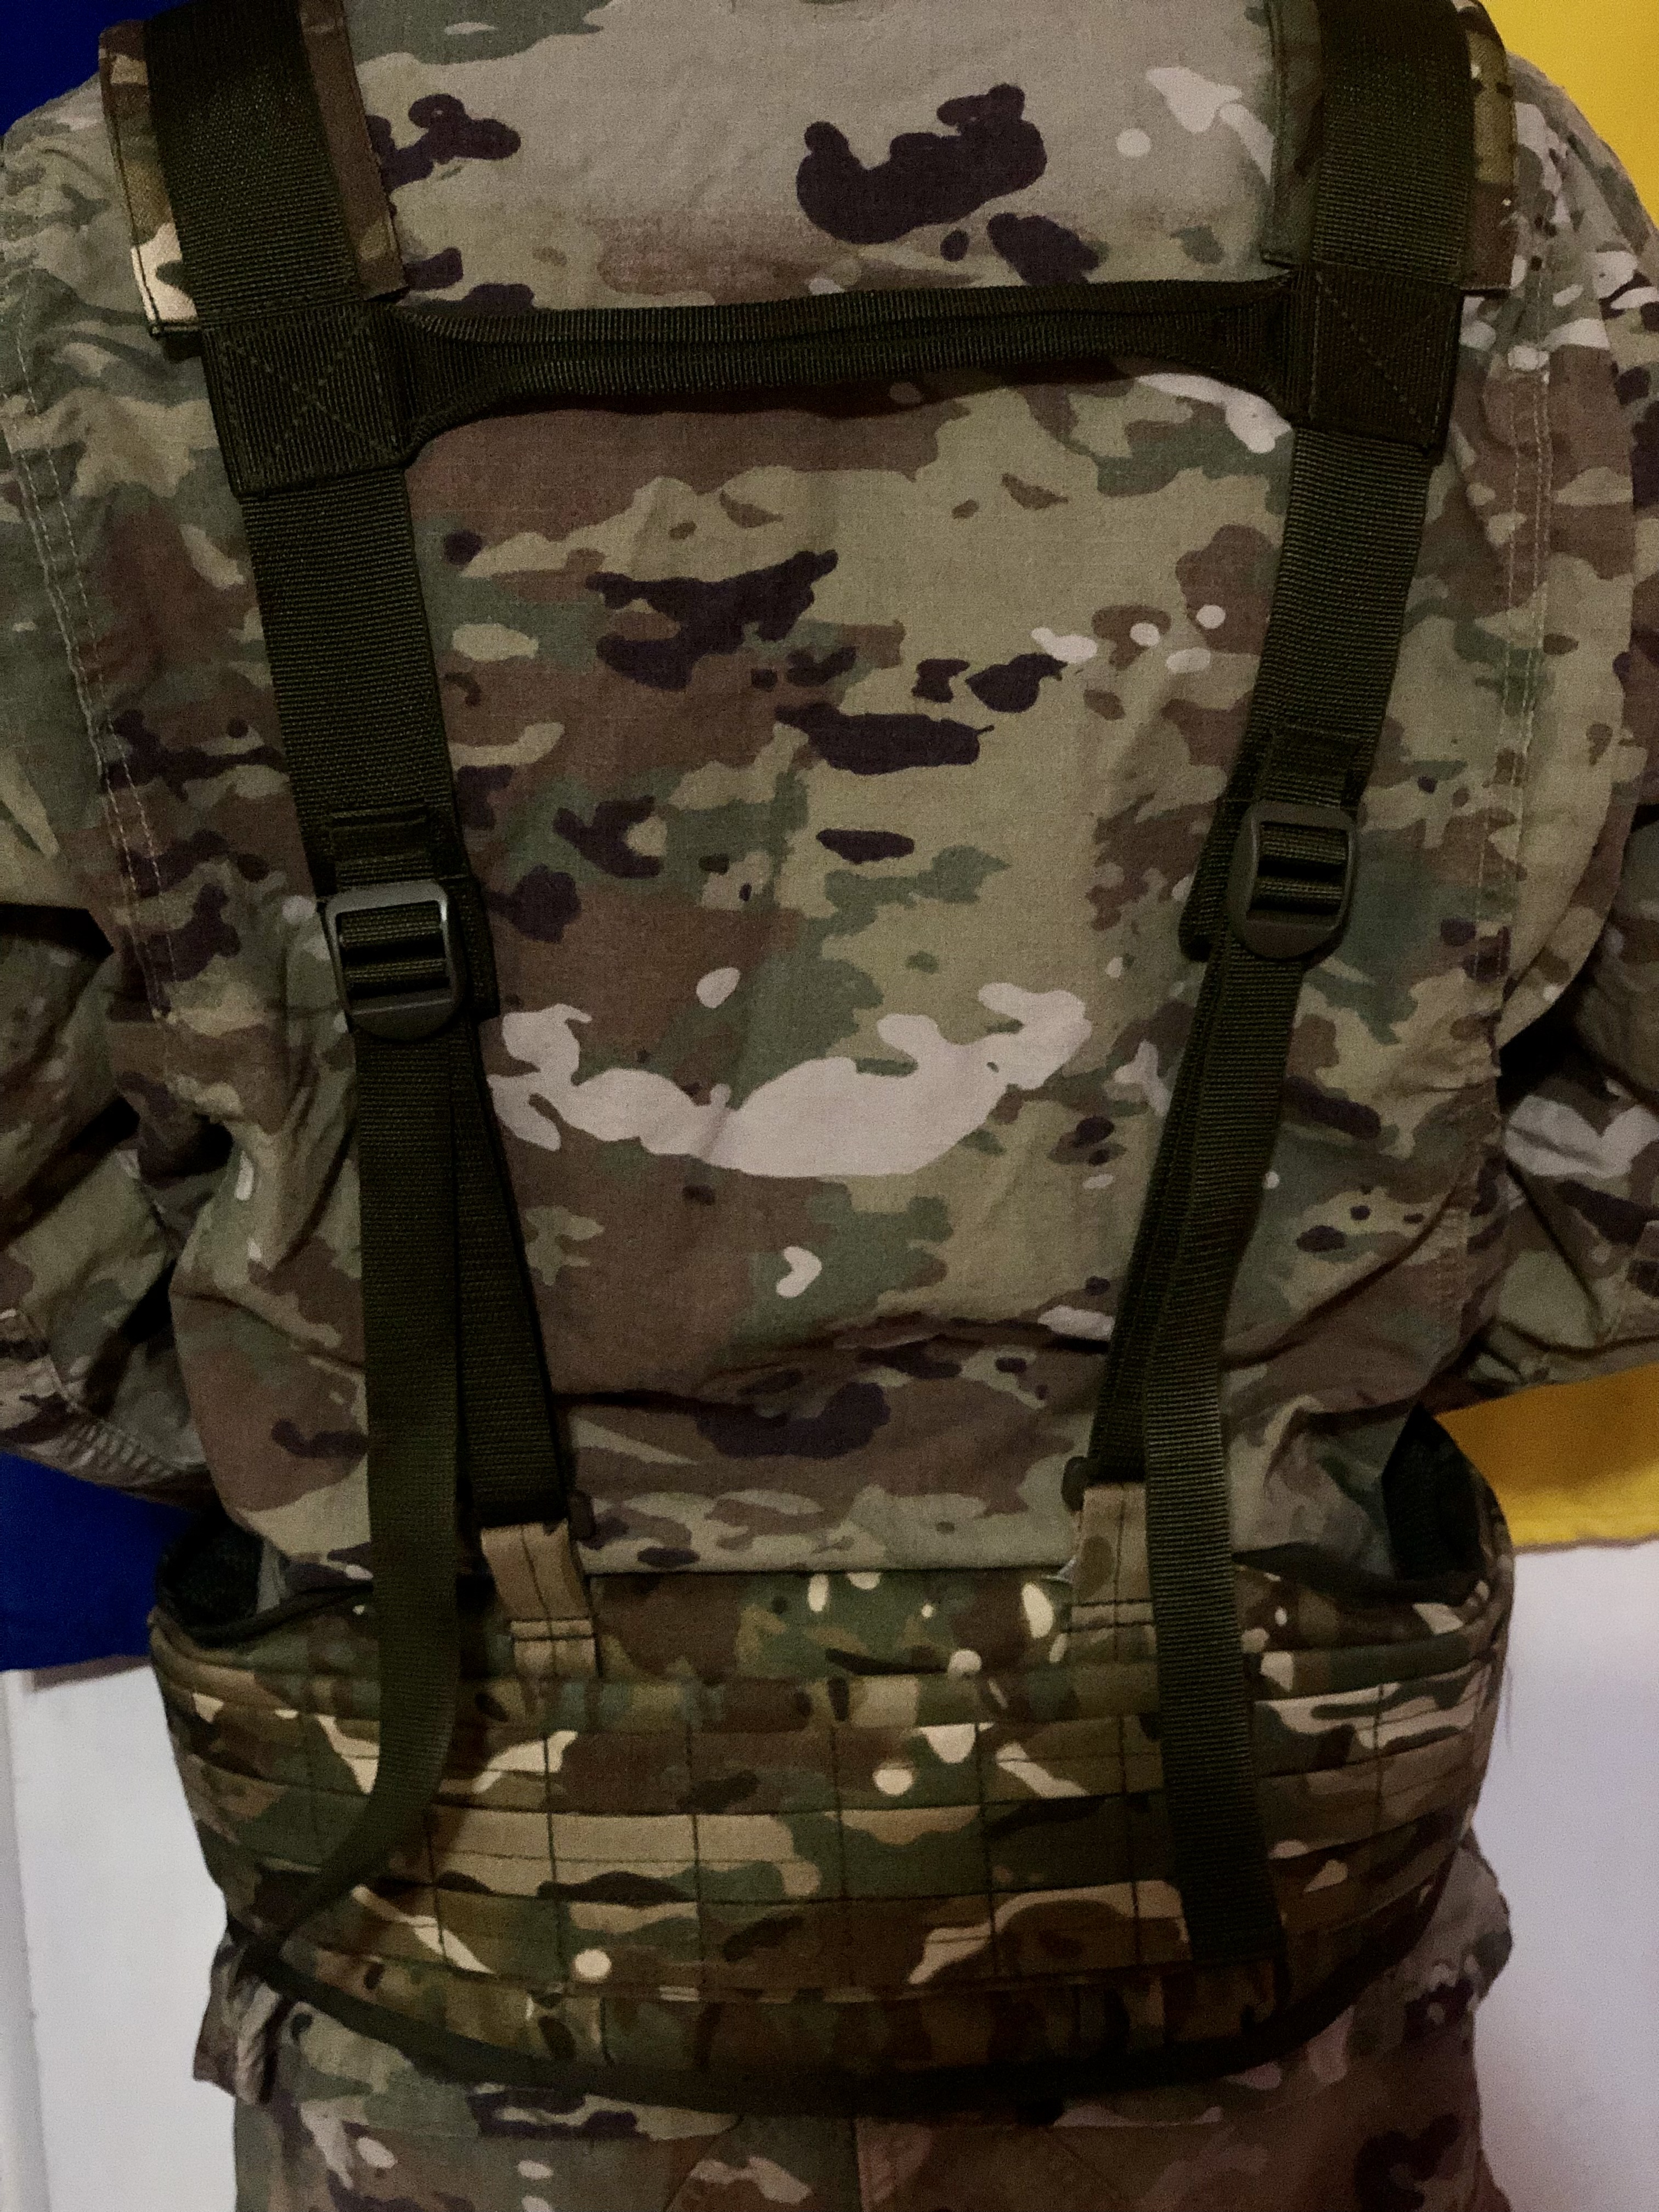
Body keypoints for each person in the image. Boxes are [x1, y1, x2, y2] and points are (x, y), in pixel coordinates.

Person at [1, 1, 1655, 2204]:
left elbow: (28, 1254)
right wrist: (1318, 1321)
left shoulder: (108, 232)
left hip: (462, 1976)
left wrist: (320, 1382)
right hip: (1254, 1950)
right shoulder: (1469, 187)